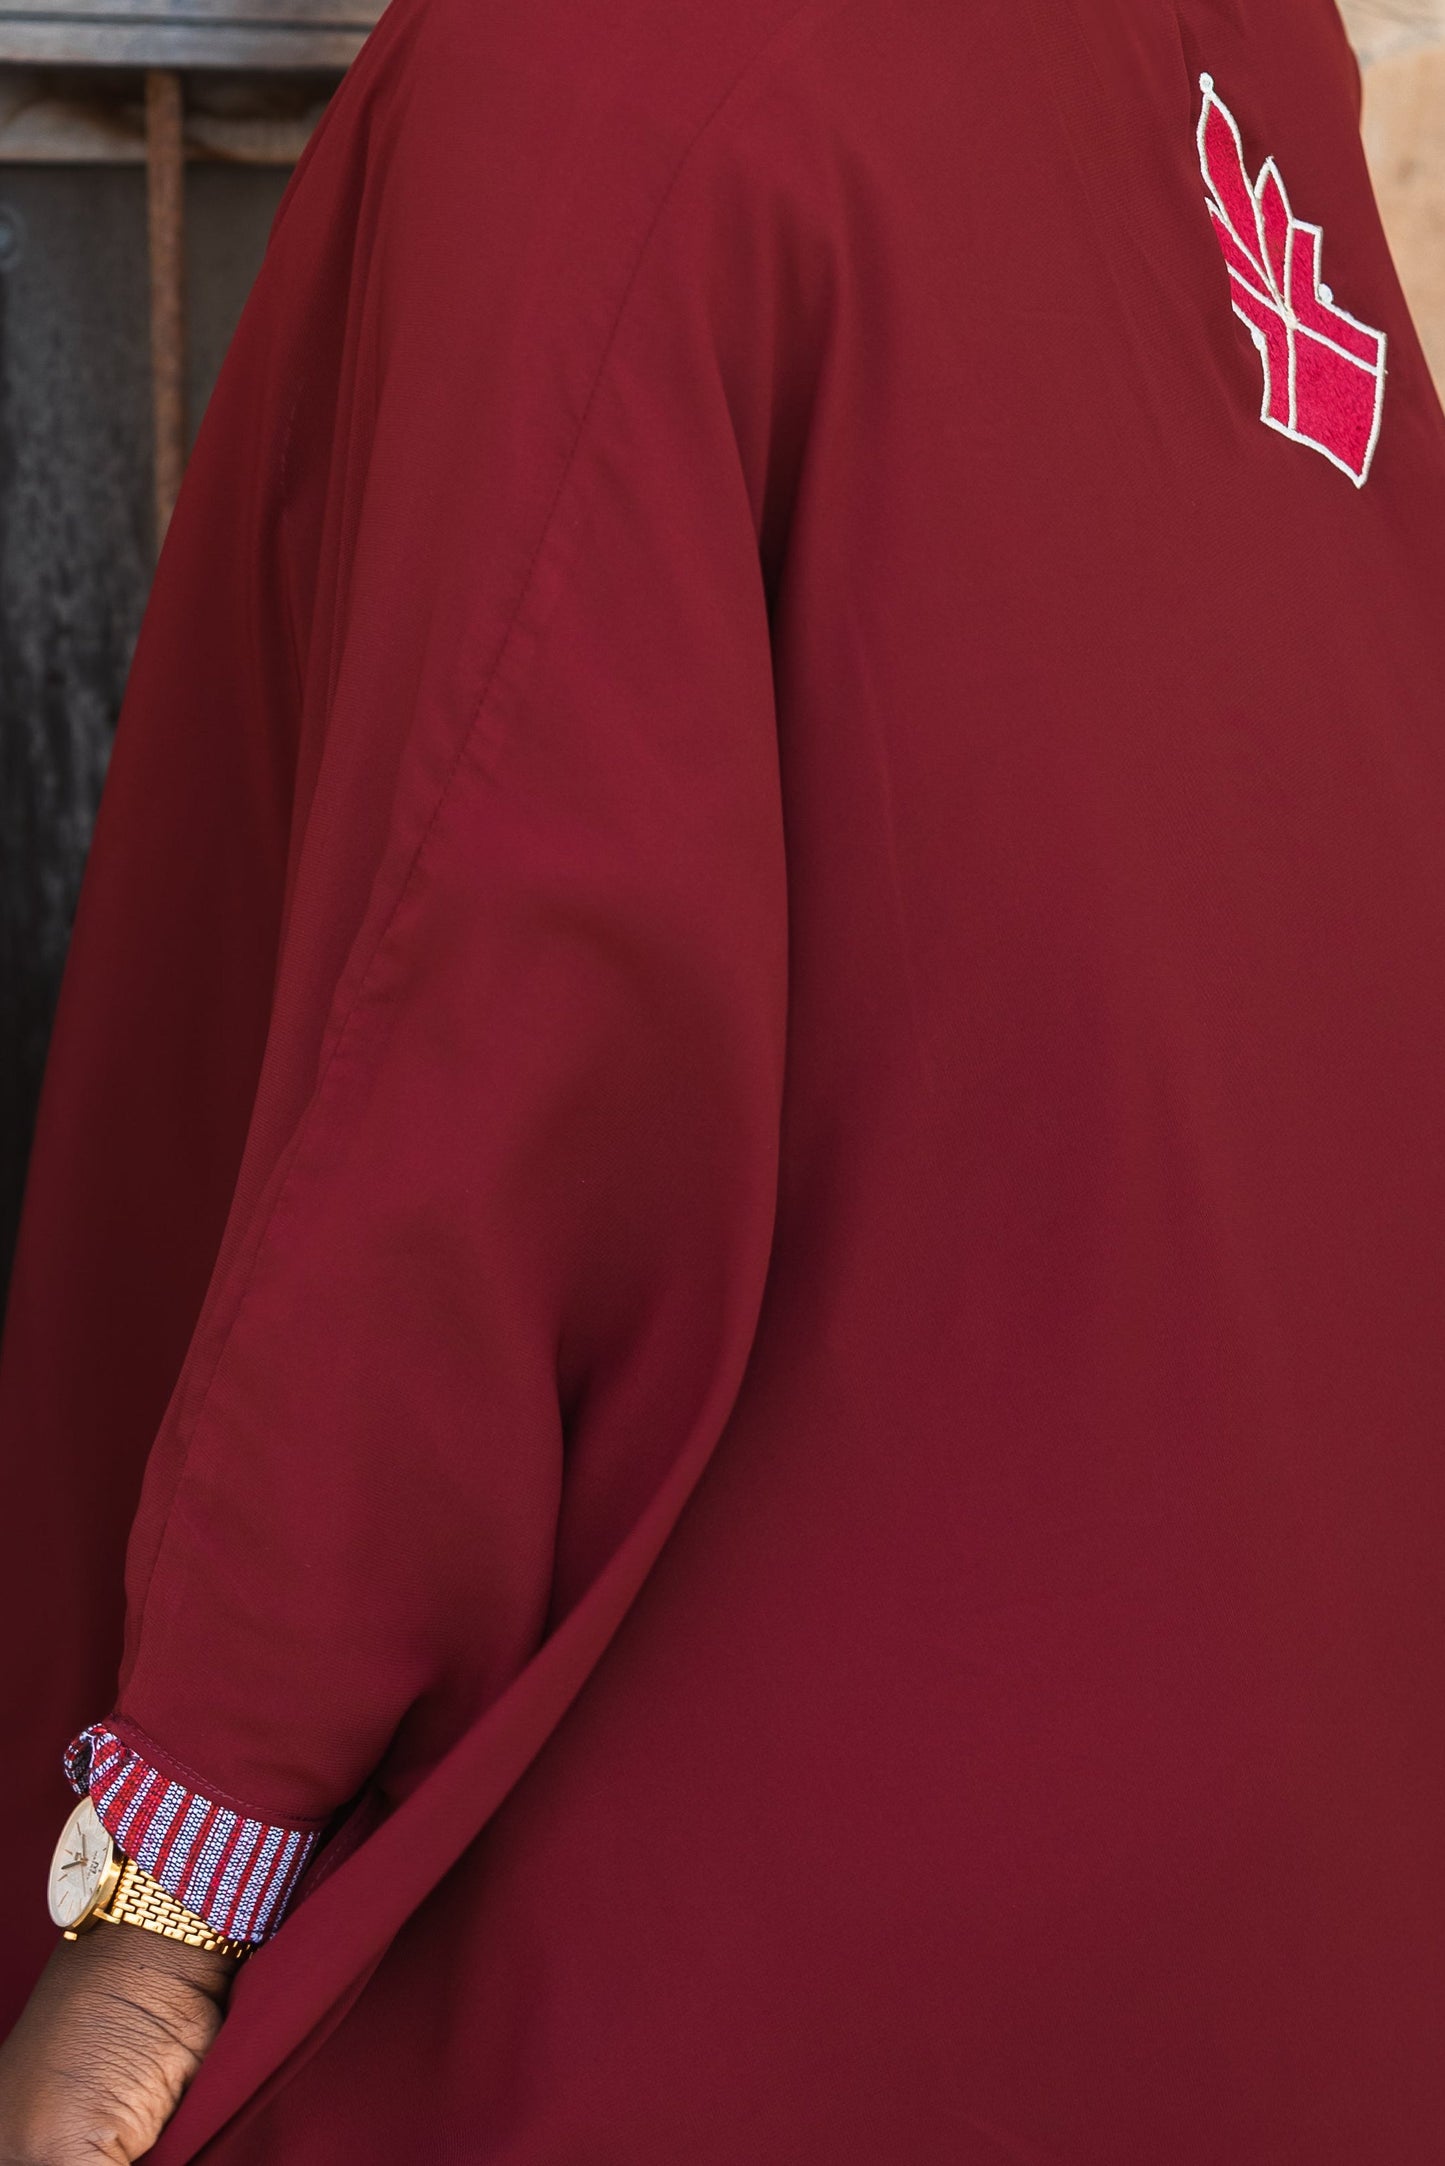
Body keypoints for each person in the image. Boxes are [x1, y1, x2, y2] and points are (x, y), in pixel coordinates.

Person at [3, 0, 1445, 2157]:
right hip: (1307, 1900)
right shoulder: (1220, 37)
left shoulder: (599, 69)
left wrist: (170, 1893)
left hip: (815, 1956)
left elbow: (477, 1057)